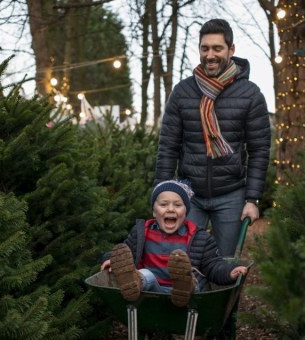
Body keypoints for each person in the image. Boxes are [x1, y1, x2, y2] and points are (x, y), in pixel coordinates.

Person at [154, 19, 271, 257]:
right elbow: (168, 146)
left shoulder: (250, 95)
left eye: (217, 48)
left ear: (231, 50)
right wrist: (162, 197)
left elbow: (259, 150)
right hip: (189, 195)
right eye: (204, 48)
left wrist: (252, 199)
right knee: (184, 264)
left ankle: (224, 297)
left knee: (226, 265)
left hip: (231, 196)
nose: (210, 55)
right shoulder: (183, 92)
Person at [100, 180, 248, 307]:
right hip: (151, 292)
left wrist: (230, 272)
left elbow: (213, 266)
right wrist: (111, 259)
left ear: (186, 211)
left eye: (177, 205)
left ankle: (183, 285)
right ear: (154, 211)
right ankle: (133, 283)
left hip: (189, 296)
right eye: (164, 205)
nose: (171, 209)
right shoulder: (142, 233)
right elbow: (126, 256)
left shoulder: (200, 238)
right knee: (144, 274)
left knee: (191, 280)